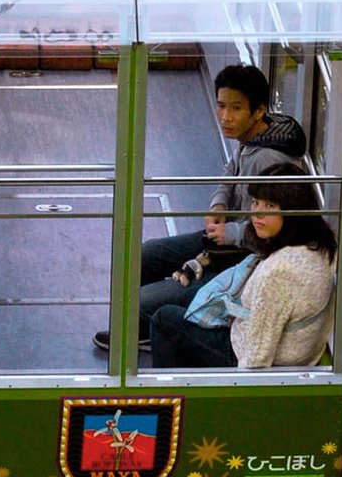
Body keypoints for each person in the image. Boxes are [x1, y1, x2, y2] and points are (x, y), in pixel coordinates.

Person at [93, 63, 306, 353]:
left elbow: (272, 228)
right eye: (221, 106)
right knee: (144, 255)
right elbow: (229, 175)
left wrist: (229, 232)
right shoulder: (251, 138)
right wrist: (218, 204)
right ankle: (141, 323)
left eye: (235, 109)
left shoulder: (269, 161)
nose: (225, 117)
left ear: (258, 111)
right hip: (224, 238)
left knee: (145, 299)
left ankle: (146, 329)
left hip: (242, 253)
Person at [149, 176, 338, 368]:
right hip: (288, 342)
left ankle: (170, 394)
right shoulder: (319, 244)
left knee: (164, 319)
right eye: (256, 202)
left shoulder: (279, 272)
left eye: (270, 206)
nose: (257, 213)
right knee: (194, 296)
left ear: (292, 211)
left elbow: (256, 360)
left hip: (241, 353)